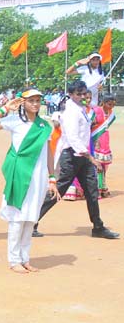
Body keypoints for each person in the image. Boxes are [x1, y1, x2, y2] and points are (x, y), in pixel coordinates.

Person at [0, 91, 60, 273]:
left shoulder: (43, 125)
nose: (35, 104)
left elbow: (48, 153)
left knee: (31, 218)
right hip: (20, 174)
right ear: (23, 103)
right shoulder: (15, 121)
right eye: (31, 101)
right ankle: (14, 260)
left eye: (38, 101)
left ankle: (25, 258)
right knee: (18, 218)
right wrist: (5, 109)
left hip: (38, 176)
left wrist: (52, 177)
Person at [36, 80, 119, 239]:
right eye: (78, 94)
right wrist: (91, 157)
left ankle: (98, 226)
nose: (82, 96)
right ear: (71, 94)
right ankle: (32, 221)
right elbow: (73, 138)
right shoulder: (71, 112)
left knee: (92, 191)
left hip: (83, 157)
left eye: (84, 93)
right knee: (58, 191)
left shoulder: (82, 109)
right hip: (72, 156)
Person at [92, 94, 116, 197]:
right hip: (97, 138)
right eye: (109, 104)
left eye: (113, 104)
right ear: (104, 103)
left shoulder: (111, 113)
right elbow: (92, 125)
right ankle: (96, 187)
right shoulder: (97, 111)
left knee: (104, 165)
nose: (111, 106)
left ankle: (102, 186)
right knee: (97, 165)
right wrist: (95, 141)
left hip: (105, 139)